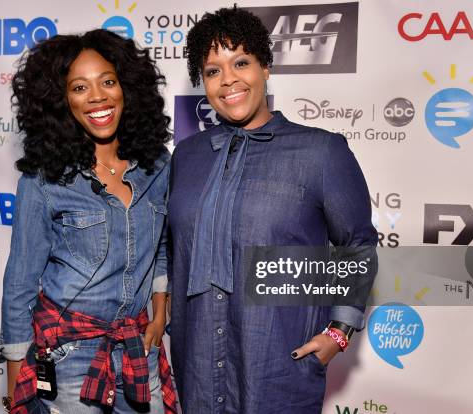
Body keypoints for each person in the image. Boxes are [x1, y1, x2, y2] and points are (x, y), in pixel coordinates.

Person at [167, 7, 377, 414]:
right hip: (196, 366)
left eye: (241, 63)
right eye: (213, 71)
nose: (228, 80)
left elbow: (359, 245)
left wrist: (339, 331)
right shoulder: (187, 157)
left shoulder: (320, 151)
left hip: (277, 365)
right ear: (203, 83)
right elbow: (173, 251)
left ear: (265, 67)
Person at [0, 29, 176, 414]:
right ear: (61, 101)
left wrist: (160, 314)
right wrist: (15, 386)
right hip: (68, 355)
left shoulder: (157, 166)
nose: (97, 97)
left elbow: (159, 248)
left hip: (138, 345)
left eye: (108, 81)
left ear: (127, 88)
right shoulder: (43, 180)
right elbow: (20, 283)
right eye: (79, 87)